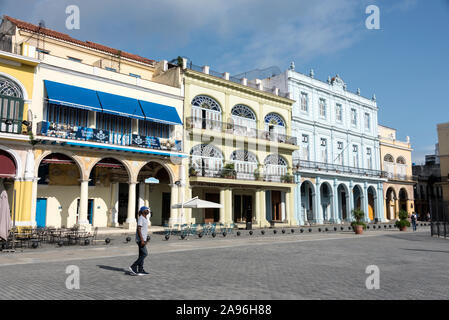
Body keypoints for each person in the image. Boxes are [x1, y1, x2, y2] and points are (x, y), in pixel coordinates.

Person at [129, 206, 151, 276]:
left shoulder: (144, 218)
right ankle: (133, 266)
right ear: (143, 211)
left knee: (141, 255)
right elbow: (139, 229)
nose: (148, 211)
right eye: (147, 210)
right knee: (145, 254)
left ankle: (140, 269)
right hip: (140, 240)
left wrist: (145, 239)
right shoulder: (141, 218)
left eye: (148, 210)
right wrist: (142, 240)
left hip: (142, 239)